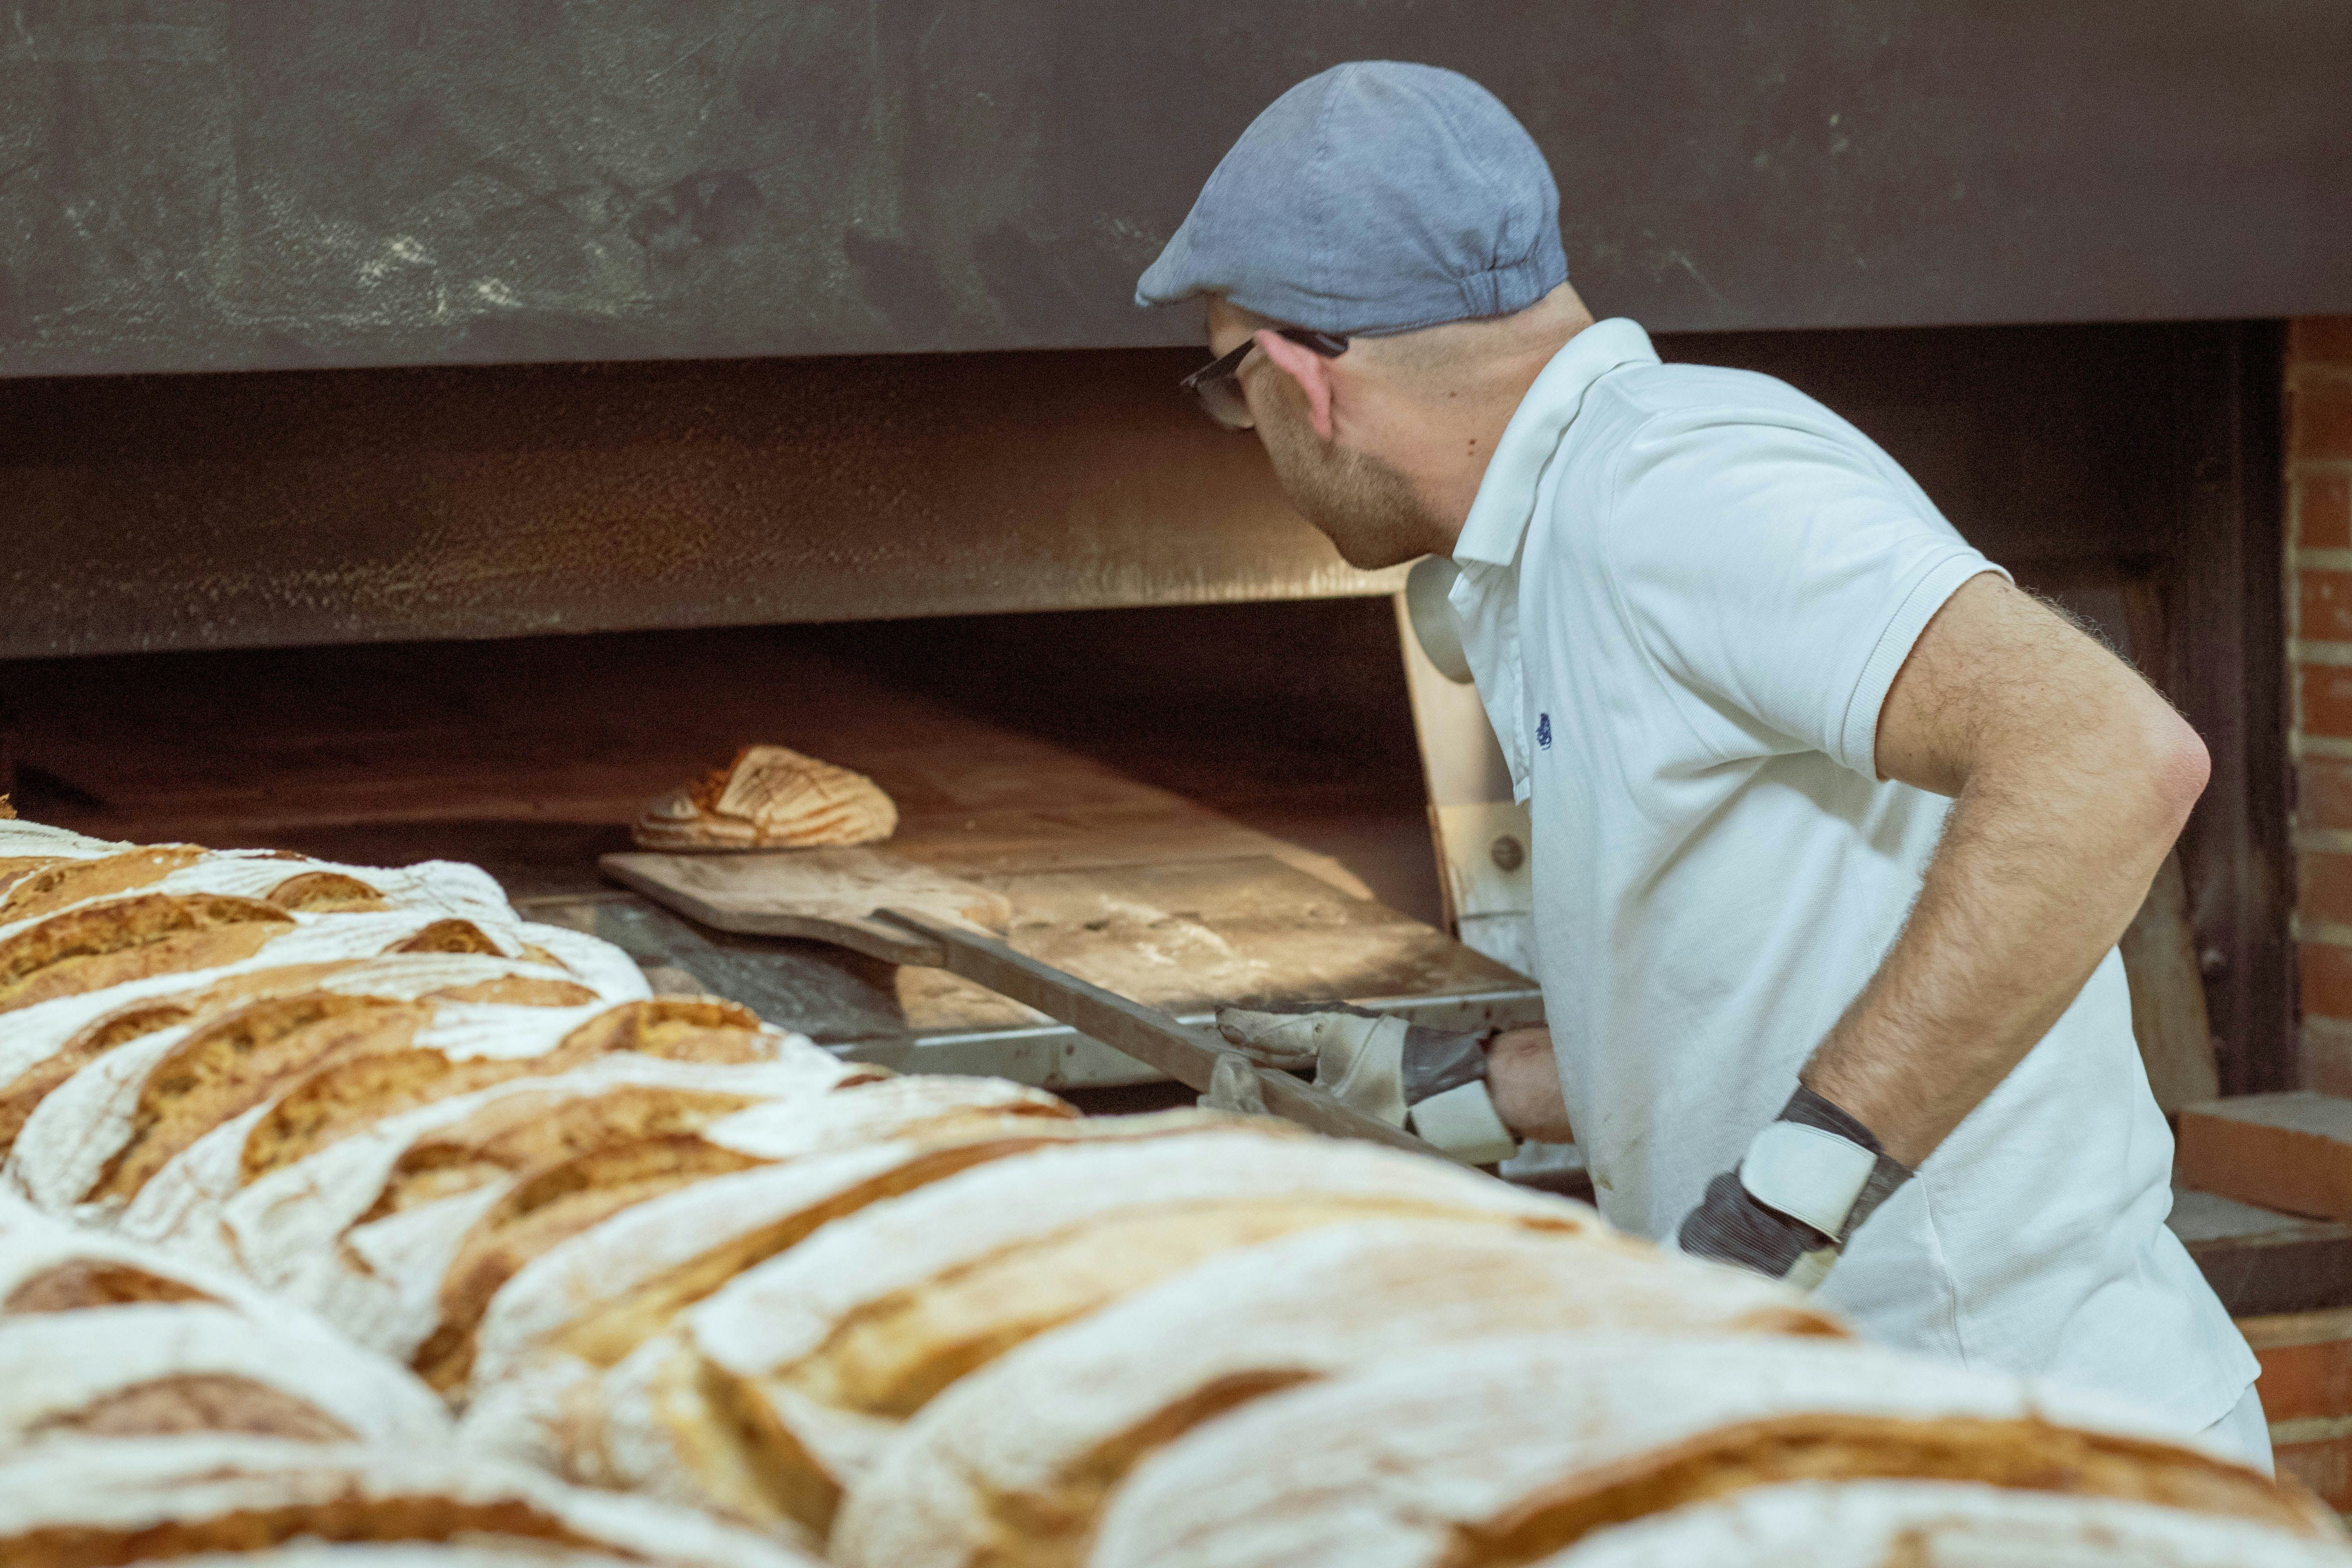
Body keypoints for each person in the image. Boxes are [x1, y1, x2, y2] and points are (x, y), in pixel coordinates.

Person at [1138, 60, 2268, 1467]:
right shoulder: (1556, 530)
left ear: (1304, 379)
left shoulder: (1673, 489)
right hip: (1852, 1433)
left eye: (1226, 384)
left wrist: (1787, 1200)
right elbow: (1770, 960)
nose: (1244, 430)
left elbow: (2111, 753)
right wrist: (1460, 1085)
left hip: (2011, 1445)